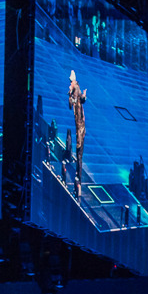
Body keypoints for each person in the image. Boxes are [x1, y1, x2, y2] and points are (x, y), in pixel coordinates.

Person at [68, 69, 86, 198]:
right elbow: (75, 101)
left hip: (80, 126)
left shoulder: (76, 89)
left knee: (79, 151)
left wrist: (80, 96)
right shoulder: (75, 91)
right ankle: (78, 178)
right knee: (79, 152)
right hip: (79, 125)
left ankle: (78, 178)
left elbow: (77, 100)